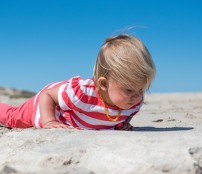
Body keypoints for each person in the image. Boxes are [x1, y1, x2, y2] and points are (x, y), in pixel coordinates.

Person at [0, 34, 155, 130]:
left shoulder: (133, 101)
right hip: (44, 107)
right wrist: (49, 121)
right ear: (103, 84)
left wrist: (122, 124)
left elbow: (126, 113)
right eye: (129, 90)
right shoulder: (81, 94)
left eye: (141, 89)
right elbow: (47, 95)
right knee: (13, 118)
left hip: (70, 114)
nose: (136, 96)